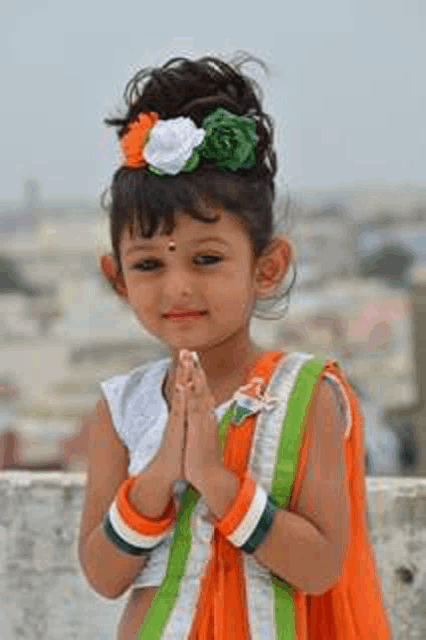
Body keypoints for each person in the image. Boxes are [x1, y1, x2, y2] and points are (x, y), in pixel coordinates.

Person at [78, 54, 392, 639]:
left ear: (267, 267)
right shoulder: (122, 407)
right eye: (148, 264)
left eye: (207, 259)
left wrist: (213, 478)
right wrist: (159, 476)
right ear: (117, 277)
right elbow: (103, 575)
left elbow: (321, 569)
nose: (177, 287)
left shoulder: (306, 395)